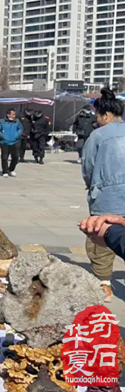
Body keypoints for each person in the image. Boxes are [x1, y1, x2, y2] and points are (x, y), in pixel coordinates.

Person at [81, 87, 125, 302]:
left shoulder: (98, 136)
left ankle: (104, 285)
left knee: (102, 237)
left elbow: (88, 167)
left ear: (105, 115)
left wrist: (92, 187)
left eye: (97, 116)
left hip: (107, 195)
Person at [0, 108, 23, 178]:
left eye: (14, 114)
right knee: (4, 157)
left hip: (15, 141)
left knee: (16, 157)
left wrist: (17, 134)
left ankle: (11, 169)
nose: (14, 116)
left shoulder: (17, 121)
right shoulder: (1, 121)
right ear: (8, 114)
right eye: (12, 114)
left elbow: (20, 128)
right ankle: (5, 171)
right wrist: (2, 136)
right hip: (4, 142)